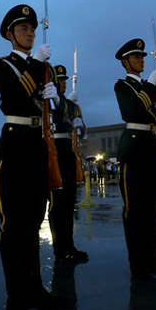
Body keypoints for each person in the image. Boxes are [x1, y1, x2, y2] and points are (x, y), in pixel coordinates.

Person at [0, 4, 69, 310]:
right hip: (15, 145)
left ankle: (35, 287)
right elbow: (14, 97)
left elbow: (60, 115)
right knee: (14, 225)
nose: (30, 33)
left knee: (36, 221)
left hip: (39, 146)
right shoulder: (2, 64)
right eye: (23, 28)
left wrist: (57, 98)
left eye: (32, 28)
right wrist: (36, 65)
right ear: (10, 34)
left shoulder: (44, 69)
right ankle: (16, 295)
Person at [113, 38, 156, 278]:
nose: (141, 60)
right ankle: (138, 265)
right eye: (136, 57)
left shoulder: (147, 87)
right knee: (135, 209)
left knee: (150, 207)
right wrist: (150, 86)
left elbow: (150, 112)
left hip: (150, 147)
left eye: (142, 56)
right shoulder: (123, 86)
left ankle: (151, 260)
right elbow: (133, 111)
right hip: (134, 147)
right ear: (125, 61)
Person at [49, 64, 89, 263]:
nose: (63, 83)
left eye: (65, 80)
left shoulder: (73, 105)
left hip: (69, 150)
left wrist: (80, 127)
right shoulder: (49, 101)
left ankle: (69, 245)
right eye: (60, 80)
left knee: (69, 201)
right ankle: (60, 248)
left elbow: (84, 132)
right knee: (58, 203)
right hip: (55, 149)